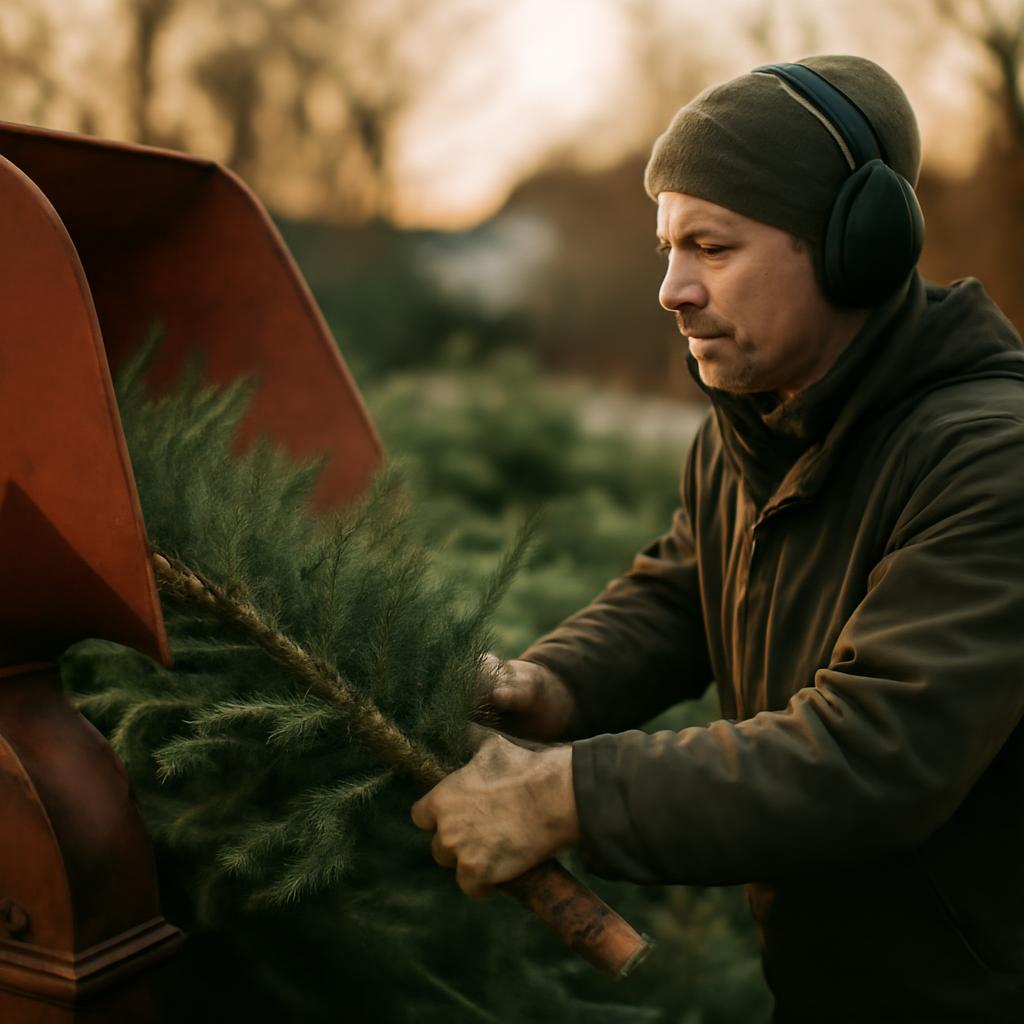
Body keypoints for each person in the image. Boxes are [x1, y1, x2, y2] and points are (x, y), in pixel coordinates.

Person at [411, 54, 1024, 1021]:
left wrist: (565, 795)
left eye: (711, 247)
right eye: (668, 247)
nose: (672, 289)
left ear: (854, 250)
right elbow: (682, 595)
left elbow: (875, 753)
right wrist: (550, 683)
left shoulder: (991, 457)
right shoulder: (757, 425)